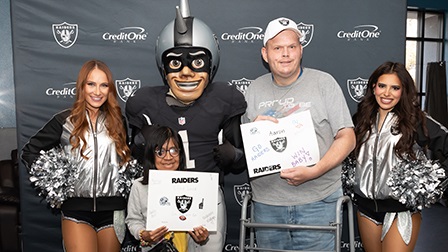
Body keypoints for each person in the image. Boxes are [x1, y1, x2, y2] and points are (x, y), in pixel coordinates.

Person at [125, 1, 247, 251]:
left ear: (211, 65)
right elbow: (136, 159)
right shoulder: (146, 104)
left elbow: (242, 160)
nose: (187, 72)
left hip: (207, 197)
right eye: (175, 63)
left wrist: (233, 154)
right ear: (163, 67)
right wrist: (140, 145)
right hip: (162, 199)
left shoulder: (223, 99)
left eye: (198, 62)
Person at [242, 17, 355, 251]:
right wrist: (254, 129)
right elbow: (242, 144)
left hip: (319, 202)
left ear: (300, 50)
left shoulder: (325, 83)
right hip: (267, 205)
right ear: (265, 53)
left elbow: (347, 137)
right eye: (277, 48)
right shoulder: (252, 90)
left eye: (291, 47)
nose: (285, 54)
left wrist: (315, 171)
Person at [21, 59, 131, 252]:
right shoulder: (64, 120)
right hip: (76, 211)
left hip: (114, 211)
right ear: (82, 87)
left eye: (103, 85)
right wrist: (52, 178)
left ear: (110, 89)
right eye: (91, 84)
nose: (97, 92)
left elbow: (126, 160)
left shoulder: (119, 121)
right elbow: (29, 151)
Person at [351, 61, 448, 252]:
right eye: (382, 86)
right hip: (365, 209)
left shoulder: (416, 120)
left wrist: (435, 183)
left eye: (395, 88)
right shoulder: (361, 118)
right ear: (373, 87)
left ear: (403, 91)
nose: (387, 93)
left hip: (401, 212)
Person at [125, 125, 210, 252]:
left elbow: (203, 221)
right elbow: (133, 220)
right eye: (160, 152)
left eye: (173, 150)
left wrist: (201, 235)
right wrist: (144, 235)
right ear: (151, 155)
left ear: (180, 153)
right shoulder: (139, 186)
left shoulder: (194, 185)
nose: (168, 157)